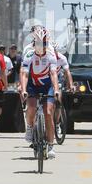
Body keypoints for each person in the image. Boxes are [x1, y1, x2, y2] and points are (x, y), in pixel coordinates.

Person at [19, 26, 60, 159]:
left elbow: (54, 74)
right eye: (38, 43)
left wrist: (57, 89)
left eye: (44, 43)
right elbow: (24, 74)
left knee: (48, 113)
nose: (41, 46)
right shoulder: (29, 54)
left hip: (47, 85)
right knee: (31, 107)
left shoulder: (51, 55)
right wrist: (24, 89)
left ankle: (50, 145)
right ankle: (30, 127)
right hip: (33, 85)